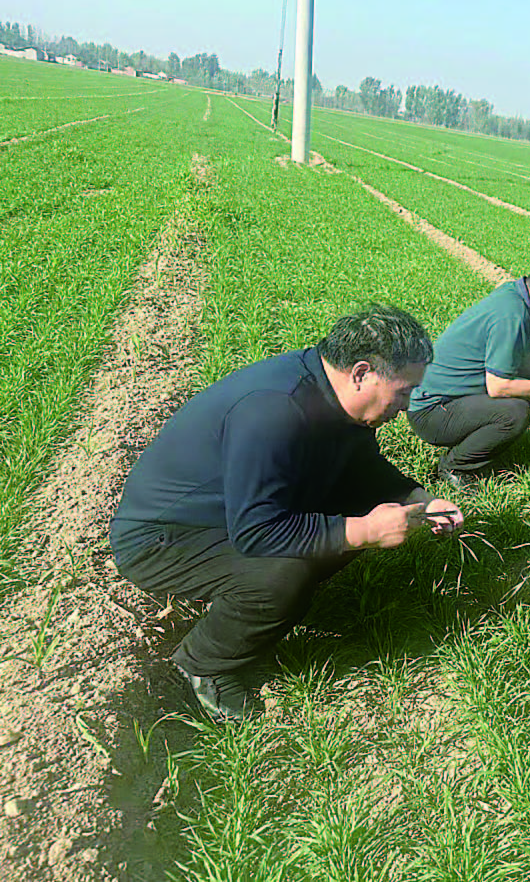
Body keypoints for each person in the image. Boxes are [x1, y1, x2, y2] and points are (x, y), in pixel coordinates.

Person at [109, 305, 464, 722]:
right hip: (161, 538)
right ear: (362, 372)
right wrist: (364, 531)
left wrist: (417, 499)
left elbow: (361, 466)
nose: (407, 405)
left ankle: (250, 601)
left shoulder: (333, 393)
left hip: (231, 515)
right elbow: (257, 533)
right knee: (281, 575)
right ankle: (206, 662)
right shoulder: (274, 410)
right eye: (404, 391)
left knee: (345, 519)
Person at [407, 258, 530, 491]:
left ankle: (475, 445)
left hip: (444, 401)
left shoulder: (515, 297)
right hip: (432, 413)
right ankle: (456, 466)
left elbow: (524, 357)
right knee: (514, 412)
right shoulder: (511, 316)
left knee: (527, 388)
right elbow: (499, 386)